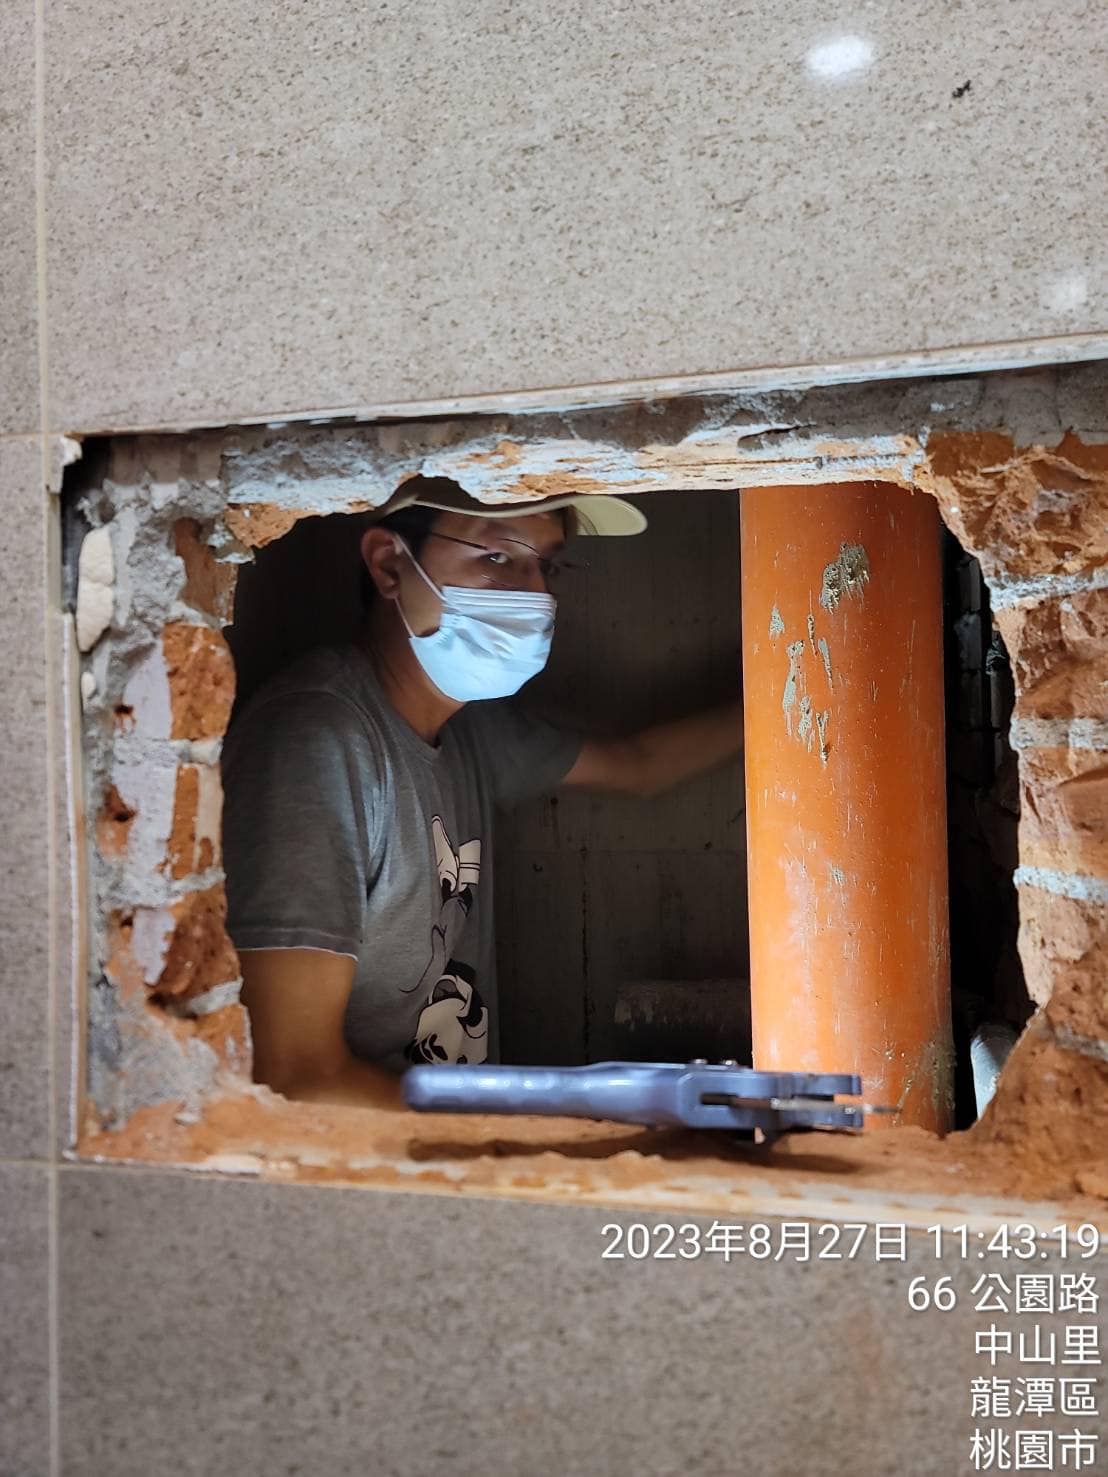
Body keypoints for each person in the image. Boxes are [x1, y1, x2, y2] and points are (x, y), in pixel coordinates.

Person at [220, 478, 744, 1107]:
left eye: (547, 566)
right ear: (389, 565)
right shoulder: (317, 744)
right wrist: (523, 1137)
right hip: (381, 1160)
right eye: (497, 556)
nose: (536, 593)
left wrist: (801, 691)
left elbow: (639, 766)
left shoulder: (467, 728)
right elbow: (296, 1076)